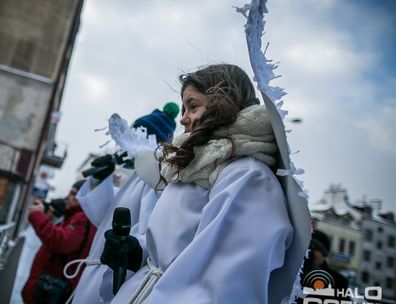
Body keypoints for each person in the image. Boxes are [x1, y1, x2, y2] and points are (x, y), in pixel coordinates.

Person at [100, 64, 298, 303]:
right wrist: (136, 251)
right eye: (184, 108)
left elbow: (226, 288)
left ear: (224, 103)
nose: (183, 119)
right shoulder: (193, 167)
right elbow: (175, 249)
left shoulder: (248, 179)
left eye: (192, 106)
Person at [70, 103, 179, 304]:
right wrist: (99, 180)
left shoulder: (153, 179)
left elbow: (150, 237)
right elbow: (102, 217)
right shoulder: (136, 176)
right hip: (96, 270)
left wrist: (130, 247)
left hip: (115, 277)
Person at [22, 180, 96, 304]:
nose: (68, 197)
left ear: (85, 196)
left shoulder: (83, 217)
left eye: (73, 194)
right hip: (48, 287)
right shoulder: (77, 216)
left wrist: (37, 215)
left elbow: (60, 241)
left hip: (51, 290)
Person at [300, 230, 349, 302]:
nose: (311, 252)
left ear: (324, 255)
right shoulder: (294, 272)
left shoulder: (338, 282)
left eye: (316, 248)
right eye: (308, 247)